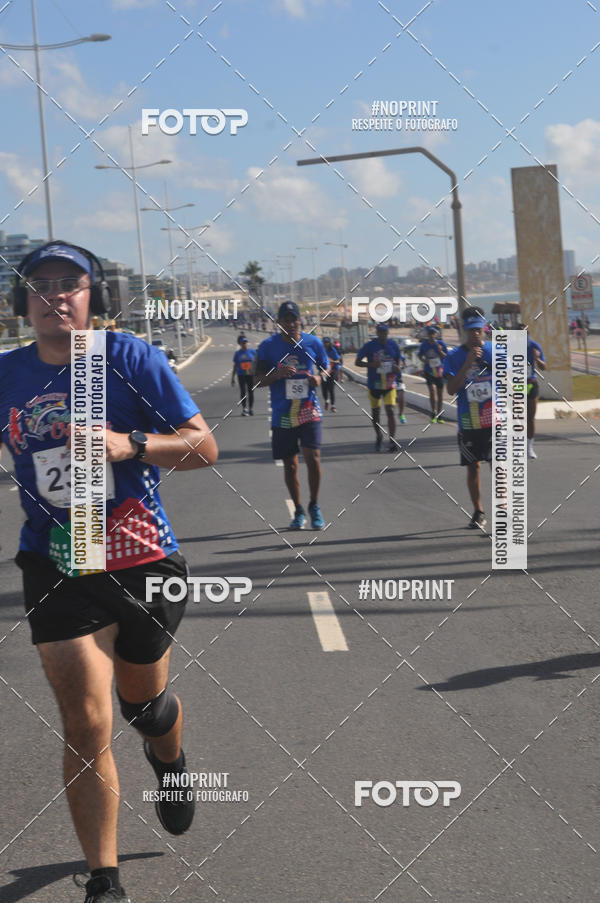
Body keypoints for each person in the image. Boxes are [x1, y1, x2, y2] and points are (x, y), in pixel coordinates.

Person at [0, 241, 218, 903]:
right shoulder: (7, 374)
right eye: (41, 285)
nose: (55, 296)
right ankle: (104, 878)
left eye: (71, 284)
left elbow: (203, 447)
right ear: (23, 301)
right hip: (59, 558)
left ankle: (169, 758)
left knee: (143, 709)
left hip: (142, 557)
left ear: (94, 297)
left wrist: (133, 445)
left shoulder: (127, 359)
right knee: (87, 721)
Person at [255, 301, 329, 530]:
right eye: (285, 320)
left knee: (313, 457)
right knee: (291, 465)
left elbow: (327, 367)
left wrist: (320, 378)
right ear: (279, 323)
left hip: (308, 409)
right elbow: (257, 380)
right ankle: (298, 510)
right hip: (283, 413)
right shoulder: (268, 347)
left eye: (293, 319)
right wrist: (277, 374)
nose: (290, 323)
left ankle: (314, 506)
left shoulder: (313, 342)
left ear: (300, 320)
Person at [443, 307, 493, 529]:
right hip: (469, 421)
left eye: (479, 330)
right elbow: (451, 390)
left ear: (484, 329)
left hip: (495, 419)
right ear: (464, 329)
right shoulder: (454, 357)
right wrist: (467, 363)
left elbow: (512, 381)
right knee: (474, 467)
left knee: (500, 466)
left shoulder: (495, 351)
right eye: (471, 330)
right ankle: (478, 511)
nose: (476, 335)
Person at [355, 323, 401, 452]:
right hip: (374, 384)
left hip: (389, 384)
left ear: (388, 333)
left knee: (390, 411)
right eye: (380, 332)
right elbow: (357, 362)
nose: (383, 335)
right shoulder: (370, 346)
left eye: (385, 333)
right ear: (377, 333)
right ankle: (379, 436)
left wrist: (398, 368)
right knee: (376, 414)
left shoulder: (393, 345)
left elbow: (398, 361)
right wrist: (372, 364)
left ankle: (392, 441)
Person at [523, 325, 546, 459]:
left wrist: (537, 359)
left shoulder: (533, 346)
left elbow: (544, 367)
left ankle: (528, 448)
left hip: (530, 383)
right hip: (515, 385)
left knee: (530, 417)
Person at [418, 325, 448, 422]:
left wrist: (440, 351)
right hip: (429, 370)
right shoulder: (424, 344)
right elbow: (419, 356)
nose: (431, 336)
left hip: (439, 371)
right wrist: (424, 360)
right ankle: (433, 412)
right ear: (427, 335)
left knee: (440, 394)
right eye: (430, 334)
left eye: (433, 334)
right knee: (432, 391)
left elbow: (447, 357)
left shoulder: (441, 344)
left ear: (436, 334)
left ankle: (439, 415)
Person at [231, 335, 256, 415]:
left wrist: (258, 373)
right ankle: (244, 408)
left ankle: (251, 409)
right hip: (241, 375)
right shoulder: (238, 353)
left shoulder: (253, 352)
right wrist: (232, 377)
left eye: (245, 342)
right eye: (243, 343)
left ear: (247, 343)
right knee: (243, 392)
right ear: (240, 344)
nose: (244, 344)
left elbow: (257, 363)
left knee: (251, 391)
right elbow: (235, 365)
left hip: (250, 374)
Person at [321, 336, 341, 412]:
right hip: (323, 373)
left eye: (327, 342)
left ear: (330, 343)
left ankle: (333, 406)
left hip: (332, 372)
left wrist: (331, 361)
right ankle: (327, 401)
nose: (326, 344)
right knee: (324, 390)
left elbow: (338, 361)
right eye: (324, 342)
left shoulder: (332, 350)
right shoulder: (320, 350)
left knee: (331, 389)